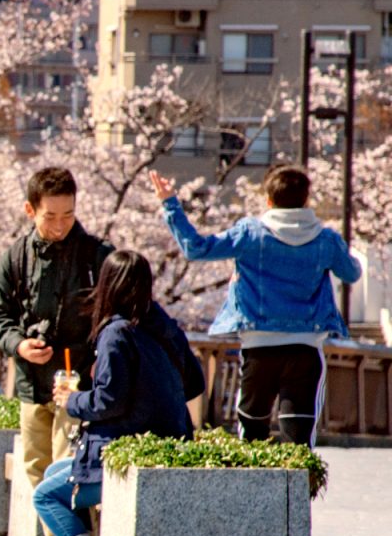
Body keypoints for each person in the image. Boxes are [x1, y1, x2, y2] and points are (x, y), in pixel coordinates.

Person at [152, 166, 362, 446]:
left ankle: (254, 489)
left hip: (258, 346)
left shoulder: (251, 234)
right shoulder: (326, 240)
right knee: (298, 438)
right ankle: (299, 489)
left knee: (252, 434)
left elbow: (196, 247)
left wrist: (170, 203)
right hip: (305, 347)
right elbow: (351, 274)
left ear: (269, 201)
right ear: (306, 200)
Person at [33, 249, 203, 536]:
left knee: (46, 495)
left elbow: (109, 399)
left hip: (124, 450)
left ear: (107, 286)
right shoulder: (165, 327)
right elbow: (195, 383)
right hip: (167, 445)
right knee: (56, 472)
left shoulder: (116, 333)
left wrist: (72, 400)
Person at [0, 167, 114, 536]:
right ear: (30, 210)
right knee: (37, 468)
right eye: (50, 216)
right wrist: (19, 344)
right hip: (30, 380)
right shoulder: (16, 257)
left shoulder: (96, 255)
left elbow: (113, 310)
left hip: (76, 382)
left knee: (66, 469)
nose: (60, 225)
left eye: (68, 215)